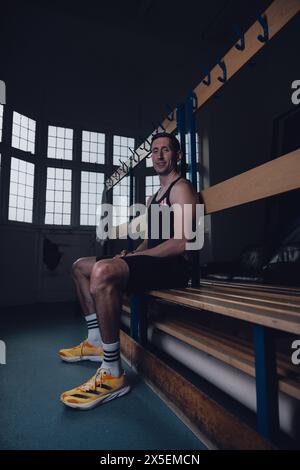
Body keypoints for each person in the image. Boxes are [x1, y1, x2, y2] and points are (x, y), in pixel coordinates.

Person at [60, 132, 198, 410]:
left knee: (102, 272)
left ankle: (112, 372)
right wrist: (134, 253)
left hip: (174, 268)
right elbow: (152, 239)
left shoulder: (181, 188)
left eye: (165, 150)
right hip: (153, 261)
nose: (159, 156)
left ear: (178, 156)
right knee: (81, 267)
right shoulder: (154, 197)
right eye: (155, 151)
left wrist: (141, 255)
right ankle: (96, 340)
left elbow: (184, 241)